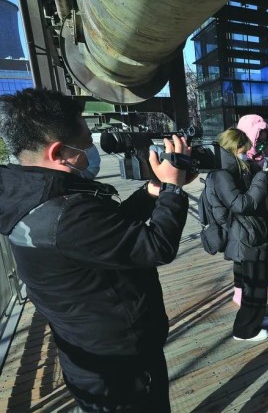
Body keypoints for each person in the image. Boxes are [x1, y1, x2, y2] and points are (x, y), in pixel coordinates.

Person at [0, 88, 194, 412]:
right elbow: (157, 246)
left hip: (91, 351)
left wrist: (152, 191)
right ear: (58, 152)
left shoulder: (34, 196)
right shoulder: (65, 215)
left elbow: (107, 233)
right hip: (120, 369)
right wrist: (174, 189)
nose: (91, 149)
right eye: (86, 143)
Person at [211, 128, 268, 341]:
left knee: (259, 281)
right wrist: (263, 175)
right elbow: (241, 204)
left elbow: (250, 182)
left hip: (252, 231)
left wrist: (263, 166)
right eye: (243, 150)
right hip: (244, 234)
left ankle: (256, 318)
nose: (246, 153)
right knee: (253, 285)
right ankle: (244, 330)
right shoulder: (222, 173)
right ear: (233, 147)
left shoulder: (236, 167)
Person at [234, 114, 268, 306]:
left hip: (267, 208)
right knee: (243, 254)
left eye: (265, 139)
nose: (262, 143)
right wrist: (264, 165)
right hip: (247, 213)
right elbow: (245, 179)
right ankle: (239, 289)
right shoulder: (237, 155)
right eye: (258, 139)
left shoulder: (265, 153)